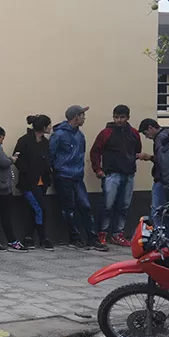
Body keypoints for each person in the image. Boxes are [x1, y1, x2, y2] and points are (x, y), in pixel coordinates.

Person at [50, 105, 108, 251]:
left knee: (86, 207)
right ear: (76, 116)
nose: (84, 118)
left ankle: (92, 238)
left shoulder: (80, 135)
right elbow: (51, 154)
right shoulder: (59, 135)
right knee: (69, 209)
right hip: (63, 176)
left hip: (77, 176)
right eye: (82, 115)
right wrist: (56, 169)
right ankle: (74, 238)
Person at [90, 105, 142, 247]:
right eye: (116, 117)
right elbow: (95, 151)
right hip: (111, 174)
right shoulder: (106, 133)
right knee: (107, 205)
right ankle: (102, 233)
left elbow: (137, 150)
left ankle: (117, 234)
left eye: (122, 117)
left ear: (127, 118)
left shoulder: (134, 133)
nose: (119, 120)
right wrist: (98, 169)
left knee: (124, 206)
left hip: (129, 173)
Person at [14, 114, 54, 250]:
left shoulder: (45, 142)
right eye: (49, 125)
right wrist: (28, 173)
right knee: (40, 208)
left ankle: (29, 237)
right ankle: (42, 237)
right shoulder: (24, 141)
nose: (50, 127)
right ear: (43, 127)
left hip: (42, 182)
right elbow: (17, 160)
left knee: (34, 209)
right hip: (29, 183)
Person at [138, 118, 169, 223]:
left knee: (157, 211)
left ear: (150, 128)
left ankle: (158, 236)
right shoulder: (166, 134)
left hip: (161, 179)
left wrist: (149, 157)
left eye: (145, 133)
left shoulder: (160, 138)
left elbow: (161, 159)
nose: (146, 137)